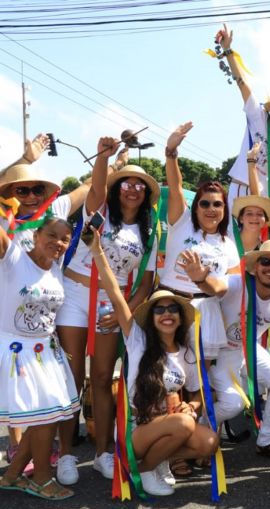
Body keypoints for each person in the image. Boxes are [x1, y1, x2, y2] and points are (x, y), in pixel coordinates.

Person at [56, 137, 159, 485]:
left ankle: (102, 453)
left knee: (102, 377)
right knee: (71, 375)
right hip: (73, 294)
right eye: (126, 183)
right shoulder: (99, 210)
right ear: (117, 189)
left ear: (146, 194)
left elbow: (145, 283)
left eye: (140, 185)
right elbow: (97, 186)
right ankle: (66, 453)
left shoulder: (150, 231)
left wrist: (124, 312)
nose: (132, 189)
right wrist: (103, 157)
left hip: (110, 303)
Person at [88, 231, 220, 496]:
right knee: (183, 425)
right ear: (151, 317)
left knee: (209, 442)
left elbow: (199, 393)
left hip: (170, 425)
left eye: (172, 309)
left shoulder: (186, 352)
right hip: (136, 430)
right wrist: (97, 252)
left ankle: (156, 461)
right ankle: (146, 469)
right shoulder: (138, 340)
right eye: (159, 309)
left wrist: (192, 406)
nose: (166, 314)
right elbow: (115, 294)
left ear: (180, 317)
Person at [191, 240, 270, 462]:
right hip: (217, 353)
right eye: (265, 261)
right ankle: (197, 430)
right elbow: (214, 287)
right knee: (233, 404)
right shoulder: (236, 283)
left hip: (246, 350)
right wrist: (201, 279)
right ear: (255, 266)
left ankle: (265, 441)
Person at [0, 217, 79, 500]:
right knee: (45, 418)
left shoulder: (56, 268)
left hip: (46, 351)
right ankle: (42, 479)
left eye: (65, 239)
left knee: (47, 416)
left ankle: (12, 475)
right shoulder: (13, 258)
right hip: (17, 352)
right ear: (36, 235)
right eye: (52, 235)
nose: (58, 242)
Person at [160, 122, 239, 362]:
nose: (210, 209)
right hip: (169, 304)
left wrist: (202, 280)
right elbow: (176, 188)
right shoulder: (182, 221)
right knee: (166, 371)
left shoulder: (229, 245)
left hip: (206, 312)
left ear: (224, 210)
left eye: (217, 204)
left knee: (200, 375)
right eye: (204, 203)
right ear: (195, 208)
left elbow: (227, 287)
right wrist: (171, 153)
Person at [216, 24, 270, 205]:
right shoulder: (258, 116)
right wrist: (228, 50)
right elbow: (242, 83)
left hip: (265, 196)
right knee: (234, 225)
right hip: (241, 187)